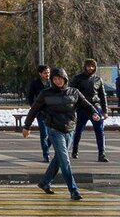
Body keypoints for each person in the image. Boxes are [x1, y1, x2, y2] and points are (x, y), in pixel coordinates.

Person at [23, 67, 102, 200]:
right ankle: (73, 190)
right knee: (65, 160)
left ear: (65, 78)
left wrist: (94, 113)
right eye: (55, 79)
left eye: (60, 78)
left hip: (70, 129)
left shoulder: (74, 92)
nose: (57, 81)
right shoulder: (46, 93)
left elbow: (86, 105)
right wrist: (27, 126)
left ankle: (45, 182)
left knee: (59, 158)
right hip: (54, 129)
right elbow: (34, 109)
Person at [70, 59, 109, 162]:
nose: (90, 68)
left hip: (96, 107)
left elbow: (102, 95)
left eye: (92, 66)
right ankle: (75, 149)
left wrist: (105, 111)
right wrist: (72, 108)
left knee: (100, 131)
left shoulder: (98, 79)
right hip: (82, 108)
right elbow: (71, 94)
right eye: (88, 66)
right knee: (78, 130)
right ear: (85, 66)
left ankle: (102, 154)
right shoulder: (77, 78)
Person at [26, 65, 52, 162]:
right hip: (40, 112)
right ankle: (46, 154)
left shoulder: (53, 82)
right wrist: (34, 108)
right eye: (45, 73)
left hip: (51, 111)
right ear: (40, 74)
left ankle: (46, 147)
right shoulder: (35, 83)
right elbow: (30, 97)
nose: (47, 75)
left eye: (48, 72)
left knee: (52, 134)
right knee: (44, 133)